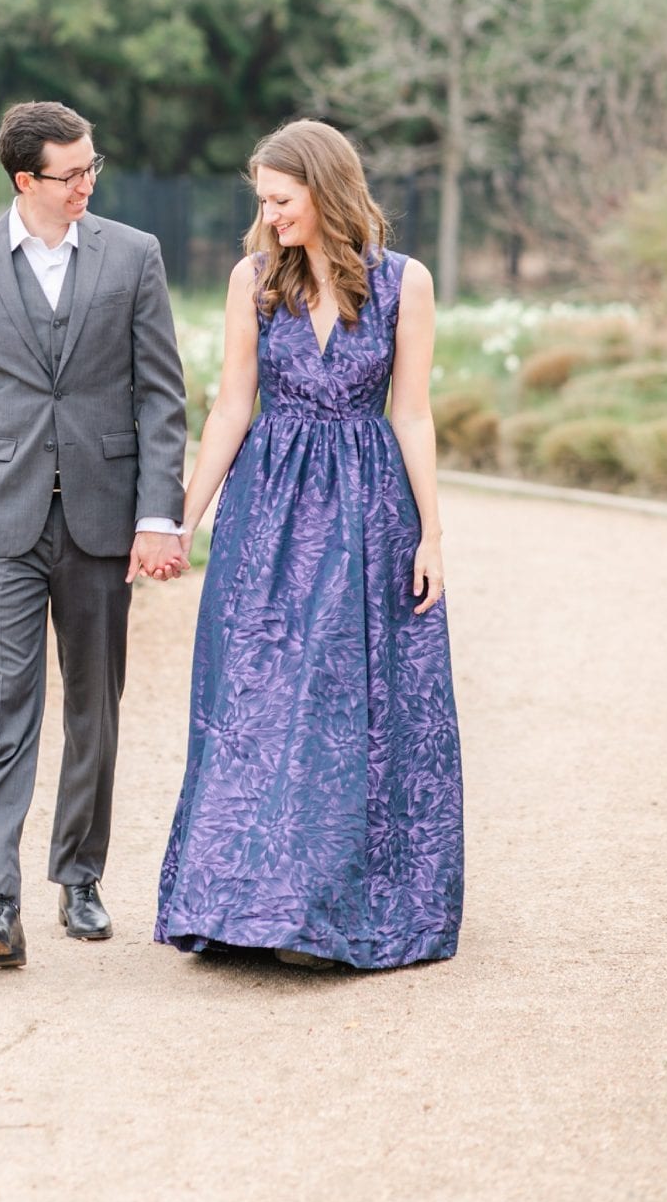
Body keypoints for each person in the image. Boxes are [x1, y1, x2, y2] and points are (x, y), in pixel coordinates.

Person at [155, 119, 463, 970]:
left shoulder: (407, 283)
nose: (269, 214)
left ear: (326, 191)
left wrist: (432, 532)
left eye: (281, 199)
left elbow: (412, 412)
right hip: (270, 510)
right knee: (255, 695)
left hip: (370, 512)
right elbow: (230, 407)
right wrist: (181, 519)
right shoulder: (252, 280)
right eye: (263, 200)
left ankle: (322, 911)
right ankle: (235, 904)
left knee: (343, 706)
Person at [0, 101, 188, 970]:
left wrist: (158, 515)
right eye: (69, 174)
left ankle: (79, 874)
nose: (85, 185)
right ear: (23, 180)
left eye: (91, 170)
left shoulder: (133, 256)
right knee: (4, 707)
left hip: (103, 520)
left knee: (93, 705)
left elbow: (160, 395)